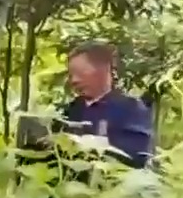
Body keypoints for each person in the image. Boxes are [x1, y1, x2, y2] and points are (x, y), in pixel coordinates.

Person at [60, 41, 154, 170]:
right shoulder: (68, 111)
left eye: (81, 72)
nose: (74, 80)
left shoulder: (131, 109)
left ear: (105, 69)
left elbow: (135, 156)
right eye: (71, 75)